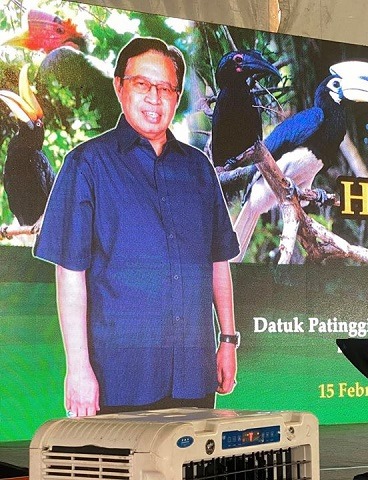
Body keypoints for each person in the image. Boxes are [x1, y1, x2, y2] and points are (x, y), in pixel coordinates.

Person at [34, 37, 241, 417]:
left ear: (177, 97)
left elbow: (218, 262)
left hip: (194, 379)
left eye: (165, 88)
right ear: (119, 86)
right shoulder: (87, 165)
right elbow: (69, 274)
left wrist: (227, 338)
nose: (154, 98)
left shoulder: (198, 169)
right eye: (142, 85)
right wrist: (78, 369)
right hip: (119, 380)